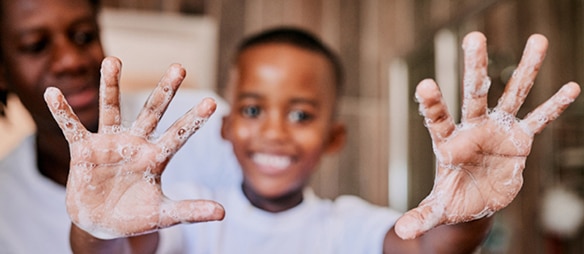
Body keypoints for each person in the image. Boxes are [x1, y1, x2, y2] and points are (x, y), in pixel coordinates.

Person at [47, 27, 580, 253]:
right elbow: (116, 252)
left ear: (334, 137)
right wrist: (96, 226)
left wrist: (471, 215)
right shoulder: (189, 220)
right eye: (253, 110)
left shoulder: (349, 227)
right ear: (228, 128)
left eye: (301, 114)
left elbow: (429, 249)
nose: (275, 132)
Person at [0, 0, 236, 253]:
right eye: (35, 46)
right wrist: (98, 232)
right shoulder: (6, 206)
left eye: (83, 36)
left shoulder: (205, 126)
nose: (70, 61)